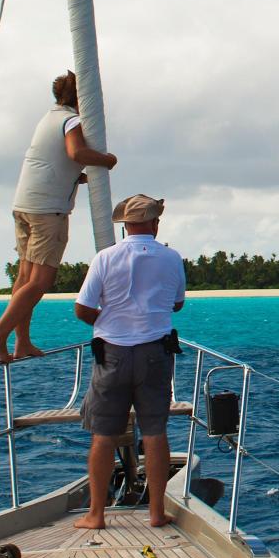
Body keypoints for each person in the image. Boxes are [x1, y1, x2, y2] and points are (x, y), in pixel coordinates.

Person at [0, 71, 118, 364]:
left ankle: (22, 341)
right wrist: (107, 160)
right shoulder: (71, 120)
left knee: (24, 277)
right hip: (48, 211)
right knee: (40, 281)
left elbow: (51, 161)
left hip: (25, 204)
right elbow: (76, 152)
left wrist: (77, 178)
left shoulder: (48, 119)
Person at [71, 194, 185, 529]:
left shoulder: (106, 257)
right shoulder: (172, 257)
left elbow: (82, 308)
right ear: (155, 224)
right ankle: (156, 512)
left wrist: (109, 322)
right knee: (155, 431)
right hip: (155, 353)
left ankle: (96, 515)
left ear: (125, 225)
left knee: (104, 434)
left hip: (113, 354)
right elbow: (177, 303)